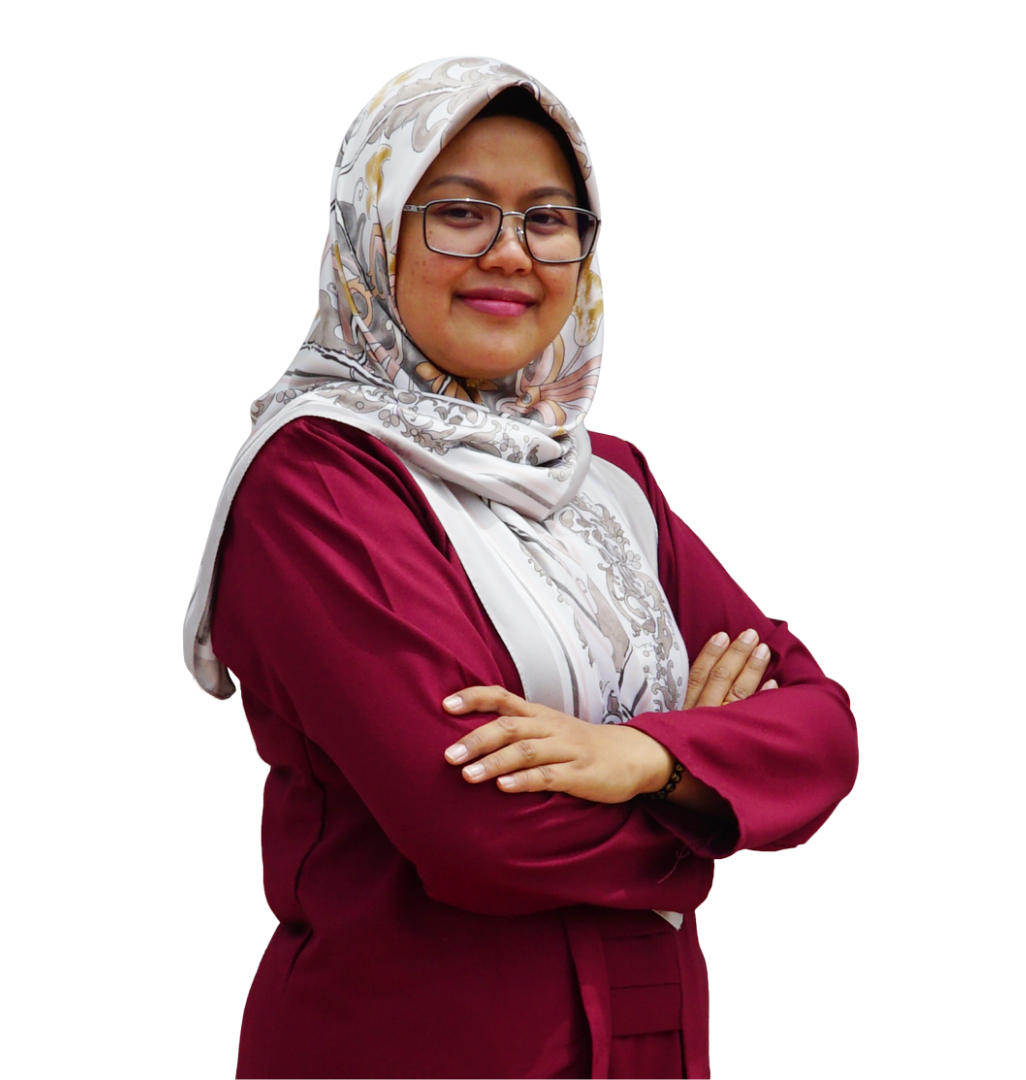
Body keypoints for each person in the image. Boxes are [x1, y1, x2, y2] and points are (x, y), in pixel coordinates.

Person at [183, 57, 858, 1079]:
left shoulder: (605, 484)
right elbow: (478, 833)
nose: (511, 253)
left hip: (649, 1040)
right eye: (459, 213)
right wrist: (712, 799)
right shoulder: (318, 479)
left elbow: (822, 728)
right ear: (374, 233)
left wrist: (643, 760)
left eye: (548, 219)